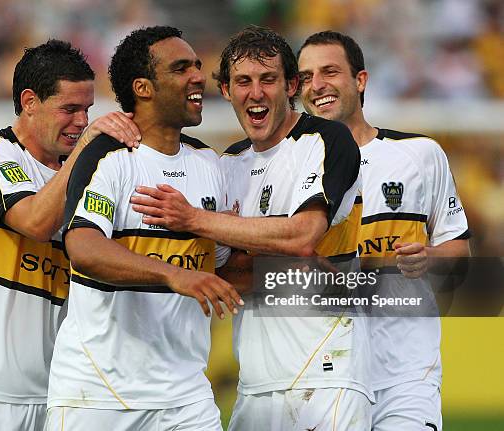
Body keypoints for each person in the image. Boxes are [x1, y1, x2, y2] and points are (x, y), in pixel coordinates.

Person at [131, 25, 371, 430]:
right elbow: (226, 274)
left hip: (328, 372)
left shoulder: (327, 140)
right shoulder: (226, 166)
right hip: (255, 383)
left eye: (268, 80)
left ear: (291, 85)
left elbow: (303, 235)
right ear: (225, 90)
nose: (255, 93)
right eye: (243, 81)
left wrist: (195, 219)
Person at [44, 26, 243, 431]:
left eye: (198, 66)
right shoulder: (109, 154)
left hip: (187, 396)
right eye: (181, 68)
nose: (198, 77)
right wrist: (174, 274)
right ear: (144, 87)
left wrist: (306, 275)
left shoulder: (210, 165)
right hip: (97, 394)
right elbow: (83, 246)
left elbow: (221, 269)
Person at [0, 39, 141, 430]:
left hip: (60, 393)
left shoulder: (83, 172)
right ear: (29, 101)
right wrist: (86, 150)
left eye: (87, 110)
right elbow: (34, 223)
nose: (82, 121)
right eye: (69, 109)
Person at [297, 30, 471, 431]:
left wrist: (429, 258)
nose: (317, 85)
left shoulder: (419, 155)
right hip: (324, 376)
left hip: (406, 375)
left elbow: (459, 252)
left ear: (361, 80)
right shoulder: (290, 167)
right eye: (305, 77)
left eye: (329, 71)